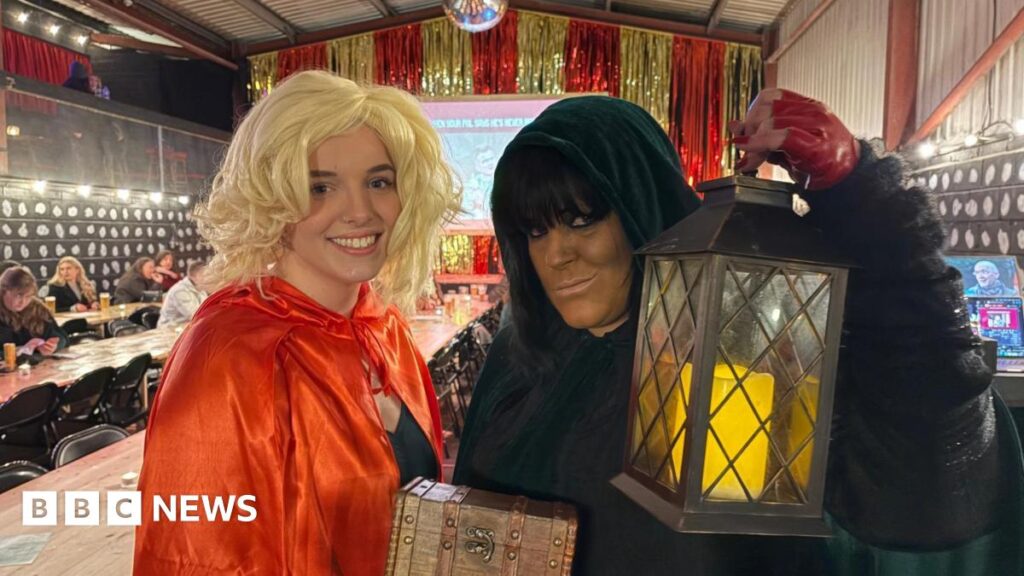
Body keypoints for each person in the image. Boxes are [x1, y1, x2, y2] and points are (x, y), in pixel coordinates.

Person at [454, 91, 1024, 575]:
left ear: (639, 208)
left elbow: (927, 449)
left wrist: (863, 204)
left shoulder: (747, 359)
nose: (557, 254)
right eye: (533, 230)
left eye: (582, 219)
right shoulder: (521, 357)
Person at [133, 70, 461, 575]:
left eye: (379, 181)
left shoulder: (384, 329)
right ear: (271, 199)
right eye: (319, 186)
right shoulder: (228, 355)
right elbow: (197, 556)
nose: (359, 211)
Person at [0, 267, 68, 361]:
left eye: (28, 296)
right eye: (19, 295)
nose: (23, 302)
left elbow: (62, 336)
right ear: (4, 291)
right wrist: (14, 352)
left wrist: (54, 346)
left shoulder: (38, 309)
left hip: (38, 368)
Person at [156, 261, 207, 327]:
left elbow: (205, 310)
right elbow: (194, 315)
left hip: (185, 328)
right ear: (192, 276)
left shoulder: (200, 288)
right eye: (203, 275)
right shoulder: (179, 291)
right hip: (167, 329)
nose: (207, 278)